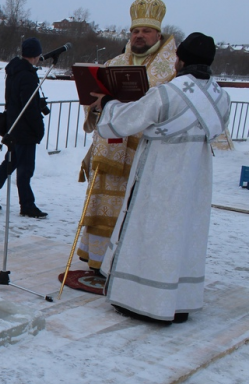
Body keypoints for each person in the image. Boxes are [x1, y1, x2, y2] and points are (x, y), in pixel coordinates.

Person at [90, 32, 229, 323]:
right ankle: (178, 303)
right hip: (195, 181)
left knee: (151, 234)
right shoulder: (221, 97)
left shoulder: (168, 92)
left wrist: (109, 104)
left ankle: (142, 301)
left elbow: (126, 121)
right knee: (184, 236)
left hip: (160, 177)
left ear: (180, 59)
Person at [76, 0, 176, 272]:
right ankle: (97, 261)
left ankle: (128, 265)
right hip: (110, 149)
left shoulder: (171, 69)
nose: (139, 36)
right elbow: (94, 101)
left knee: (135, 209)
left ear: (158, 34)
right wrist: (95, 104)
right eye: (135, 31)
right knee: (102, 205)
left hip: (143, 152)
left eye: (146, 31)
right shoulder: (115, 62)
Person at [0, 37, 48, 219]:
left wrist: (37, 102)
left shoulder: (14, 71)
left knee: (10, 163)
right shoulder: (27, 75)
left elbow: (17, 100)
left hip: (13, 124)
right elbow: (28, 106)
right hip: (24, 129)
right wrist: (38, 128)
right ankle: (27, 205)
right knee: (25, 169)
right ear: (36, 54)